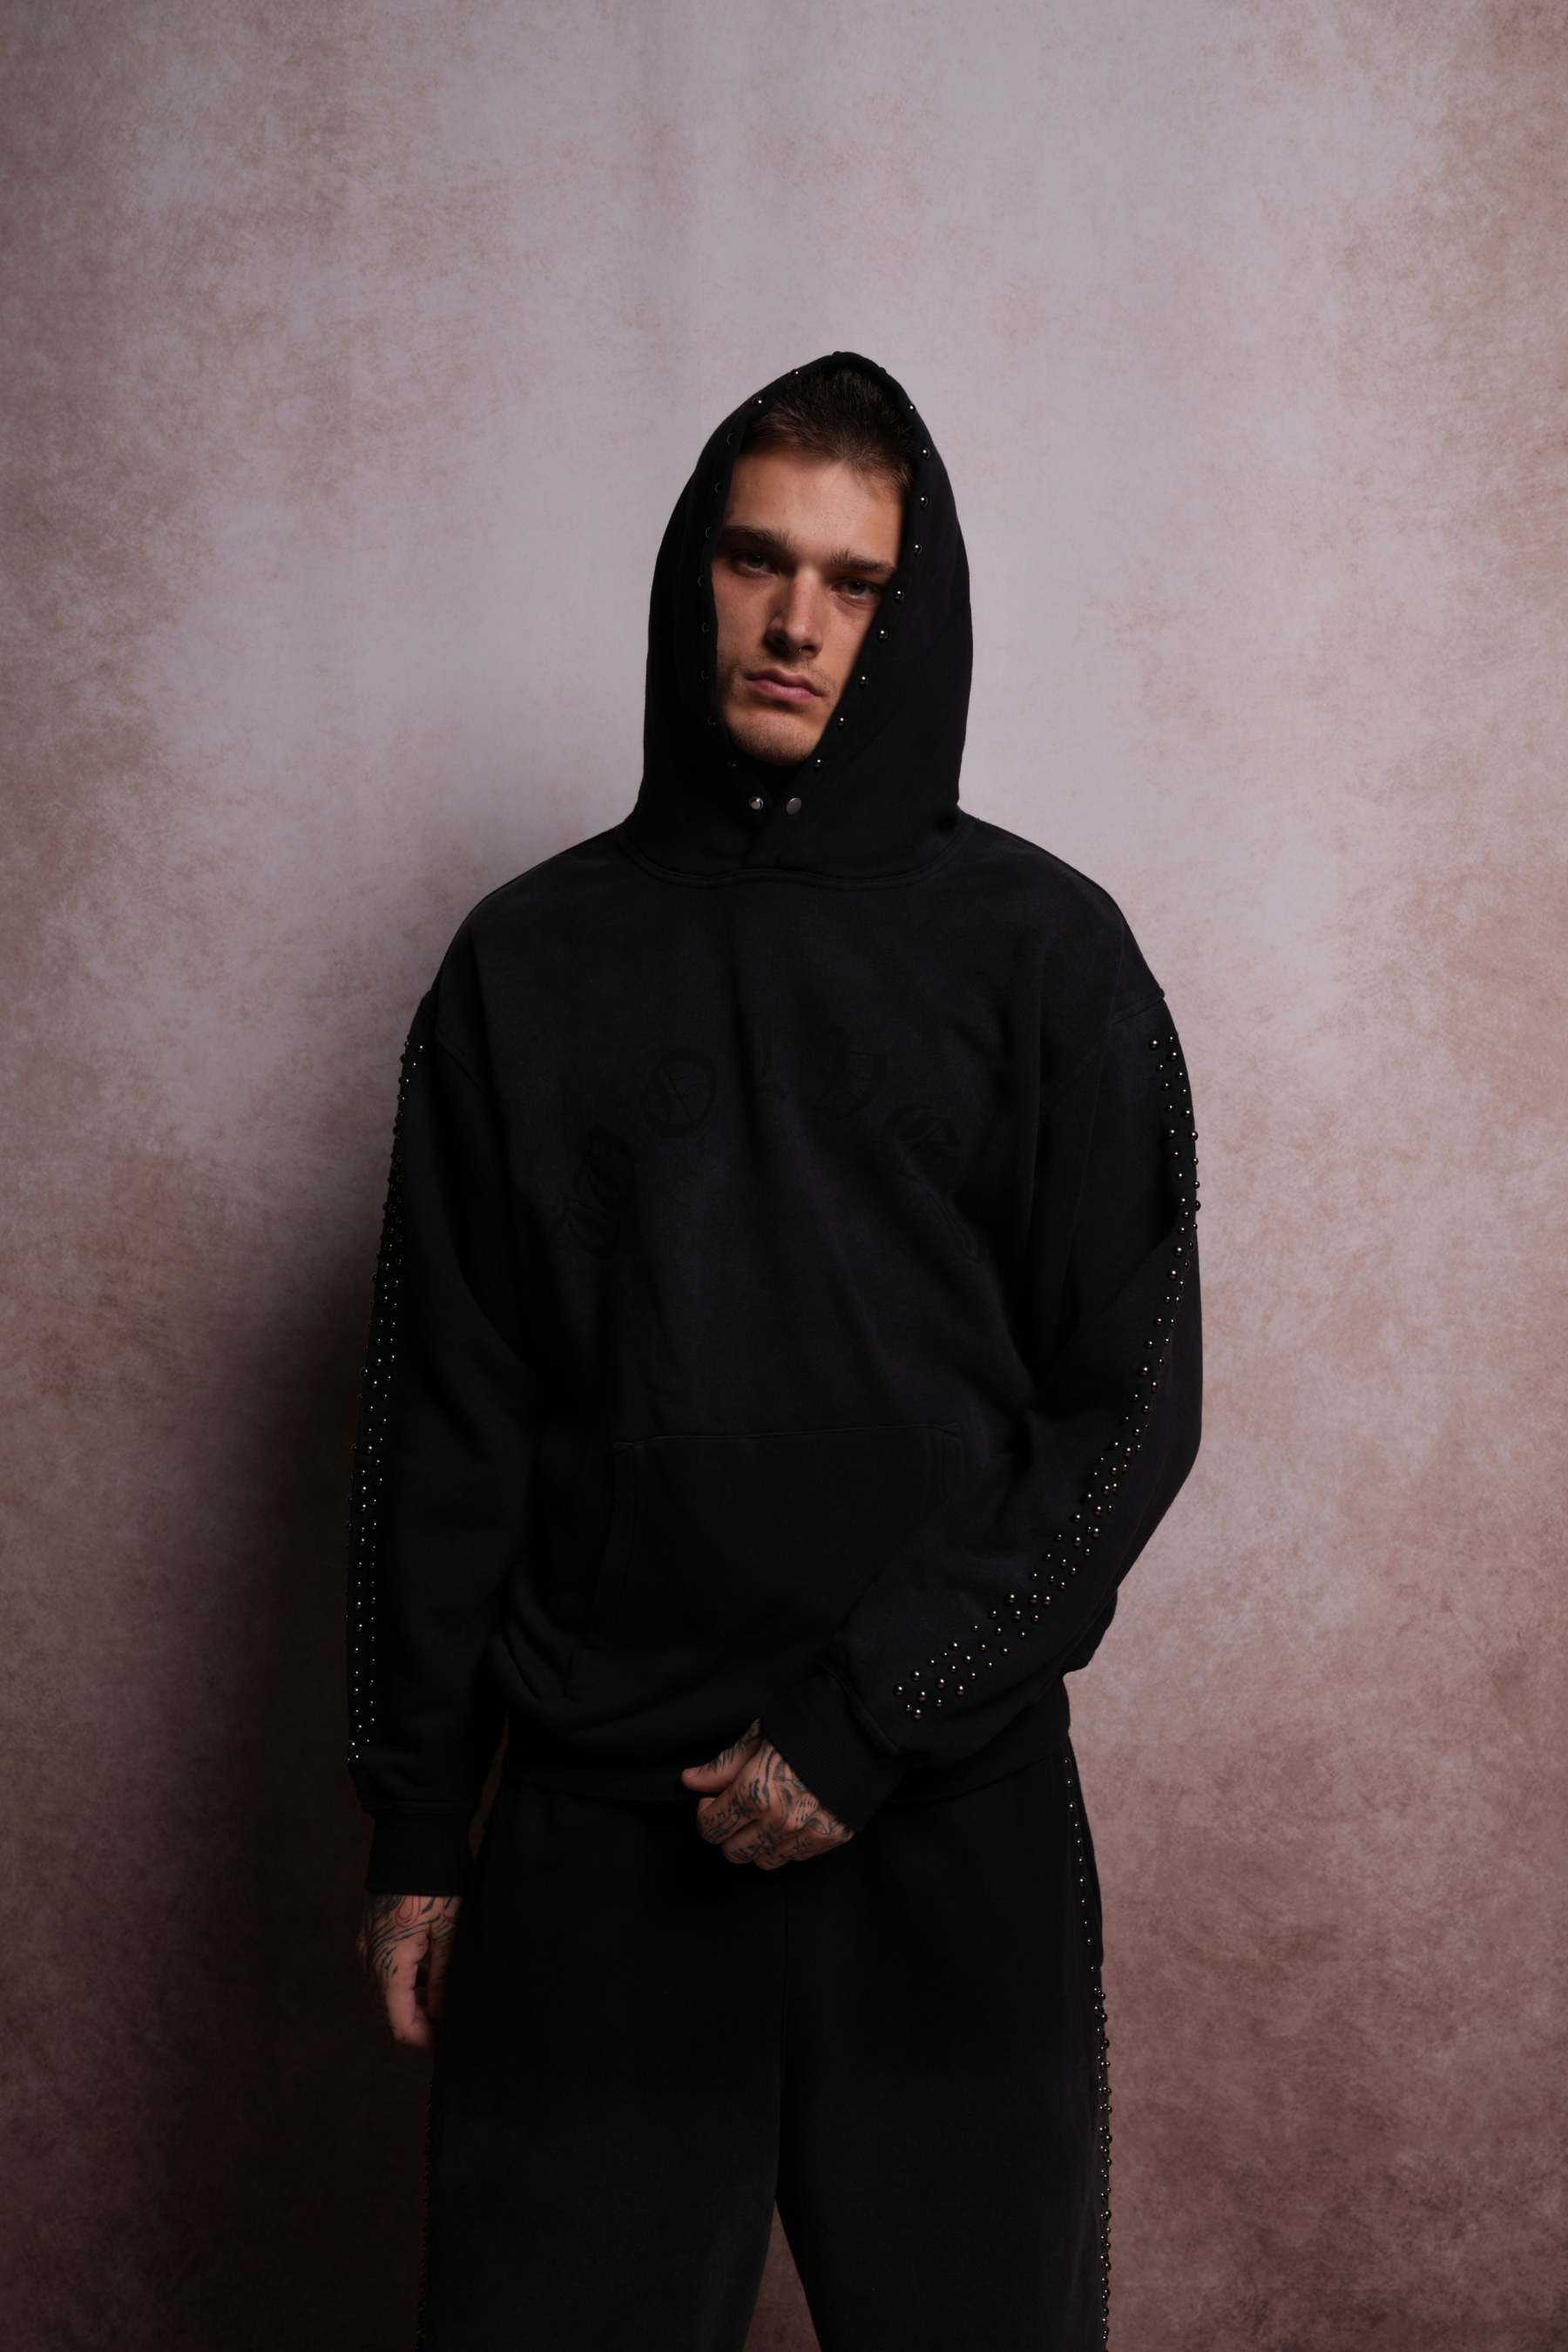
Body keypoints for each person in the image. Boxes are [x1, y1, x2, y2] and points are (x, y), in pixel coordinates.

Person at [346, 348, 1202, 2351]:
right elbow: (444, 1416)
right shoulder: (524, 967)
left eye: (854, 580)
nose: (798, 619)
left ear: (914, 610)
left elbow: (1128, 1405)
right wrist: (416, 1819)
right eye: (757, 560)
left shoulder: (1049, 957)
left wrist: (880, 1712)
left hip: (943, 1827)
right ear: (694, 577)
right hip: (597, 1833)